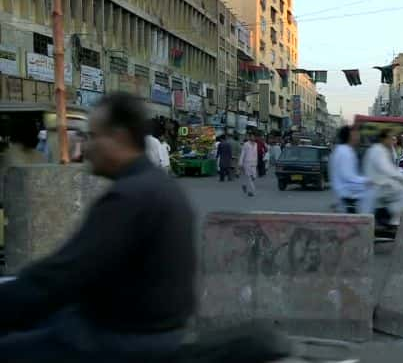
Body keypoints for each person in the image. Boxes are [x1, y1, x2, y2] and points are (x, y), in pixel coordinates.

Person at [0, 92, 196, 359]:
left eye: (93, 137)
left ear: (119, 138)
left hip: (120, 339)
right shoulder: (158, 187)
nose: (87, 147)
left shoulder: (130, 197)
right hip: (146, 330)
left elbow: (63, 274)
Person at [363, 129, 403, 226]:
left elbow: (393, 169)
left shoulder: (379, 149)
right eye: (390, 138)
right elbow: (388, 169)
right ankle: (395, 221)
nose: (392, 140)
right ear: (383, 139)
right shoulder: (379, 150)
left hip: (380, 185)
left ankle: (393, 217)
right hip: (378, 187)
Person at [330, 126, 370, 214]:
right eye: (356, 134)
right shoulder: (345, 152)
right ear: (350, 136)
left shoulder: (343, 150)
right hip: (348, 194)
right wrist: (367, 181)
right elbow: (348, 177)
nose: (358, 136)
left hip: (346, 192)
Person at [240, 132, 259, 197]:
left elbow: (256, 154)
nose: (253, 138)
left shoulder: (256, 144)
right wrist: (240, 163)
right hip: (247, 163)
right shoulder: (246, 144)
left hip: (254, 163)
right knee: (249, 177)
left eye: (254, 137)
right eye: (251, 136)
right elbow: (243, 154)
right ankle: (252, 191)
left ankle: (244, 185)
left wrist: (256, 162)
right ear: (249, 137)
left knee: (254, 177)